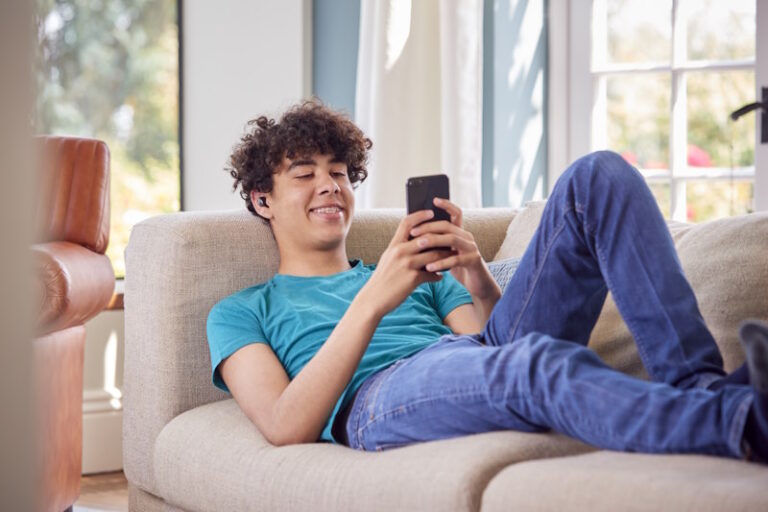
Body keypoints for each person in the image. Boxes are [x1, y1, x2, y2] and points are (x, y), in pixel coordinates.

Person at [207, 100, 768, 462]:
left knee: (598, 175)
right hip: (377, 398)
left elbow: (492, 341)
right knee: (534, 366)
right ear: (263, 199)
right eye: (304, 175)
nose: (329, 185)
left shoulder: (413, 270)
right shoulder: (242, 310)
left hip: (462, 359)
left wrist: (475, 273)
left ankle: (699, 386)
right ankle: (741, 421)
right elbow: (284, 426)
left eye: (338, 173)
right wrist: (372, 301)